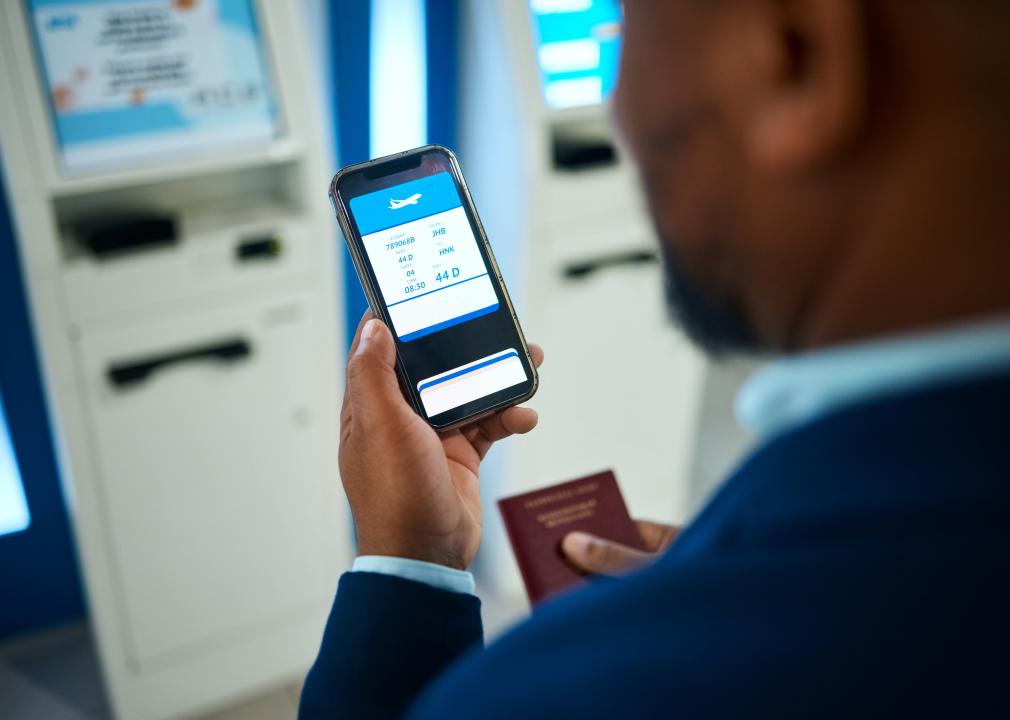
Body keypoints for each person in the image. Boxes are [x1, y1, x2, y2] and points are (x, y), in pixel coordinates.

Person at [299, 0, 1010, 717]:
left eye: (626, 27)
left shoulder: (573, 692)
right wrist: (726, 578)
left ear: (795, 51)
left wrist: (406, 562)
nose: (616, 109)